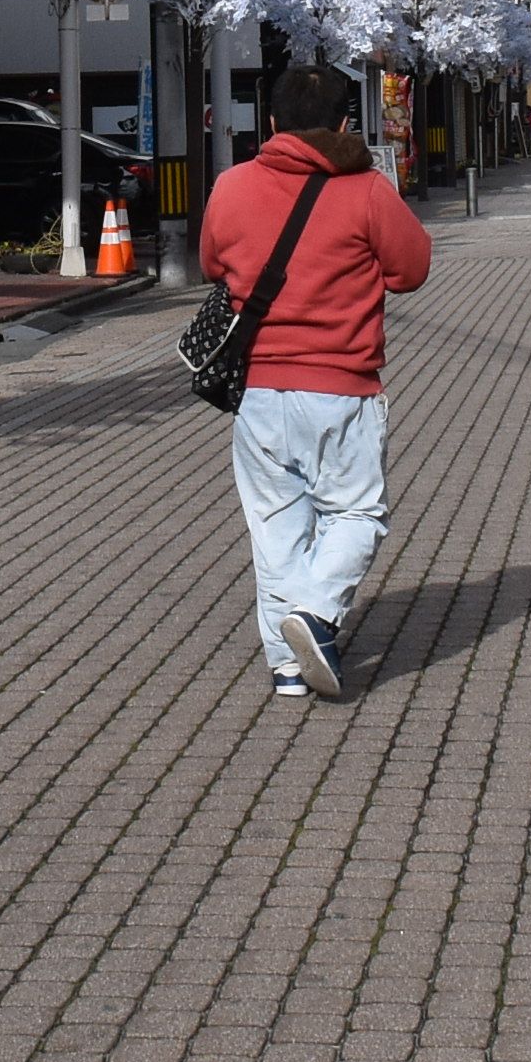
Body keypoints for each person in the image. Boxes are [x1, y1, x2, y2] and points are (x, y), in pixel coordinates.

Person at [205, 59, 433, 701]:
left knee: (277, 525)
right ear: (343, 121)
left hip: (257, 391)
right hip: (342, 385)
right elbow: (412, 268)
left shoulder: (231, 186)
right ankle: (313, 613)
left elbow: (212, 262)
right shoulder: (365, 192)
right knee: (356, 511)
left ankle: (287, 667)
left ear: (271, 122)